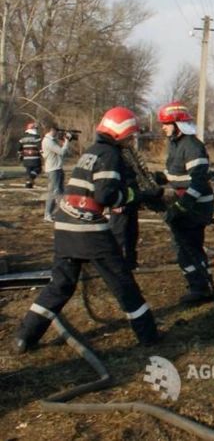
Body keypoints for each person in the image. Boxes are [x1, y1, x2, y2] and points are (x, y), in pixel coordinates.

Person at [14, 107, 160, 353]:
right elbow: (106, 194)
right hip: (89, 231)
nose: (130, 139)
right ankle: (149, 336)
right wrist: (137, 195)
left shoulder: (92, 152)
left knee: (60, 285)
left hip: (64, 226)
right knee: (122, 282)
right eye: (129, 134)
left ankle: (25, 336)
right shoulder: (110, 155)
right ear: (119, 133)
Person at [156, 101, 214, 305]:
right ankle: (200, 283)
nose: (163, 127)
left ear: (178, 124)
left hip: (196, 207)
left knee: (186, 248)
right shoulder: (176, 144)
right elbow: (177, 174)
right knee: (188, 246)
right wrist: (160, 178)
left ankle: (199, 287)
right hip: (187, 205)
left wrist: (182, 206)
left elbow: (198, 181)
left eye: (166, 123)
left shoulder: (192, 147)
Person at [41, 124, 72, 222]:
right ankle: (47, 214)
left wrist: (64, 142)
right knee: (53, 192)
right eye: (56, 130)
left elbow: (61, 153)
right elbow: (62, 152)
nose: (57, 132)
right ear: (52, 130)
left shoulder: (52, 140)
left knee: (60, 192)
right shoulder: (48, 141)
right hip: (53, 169)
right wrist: (67, 141)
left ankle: (60, 212)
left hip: (57, 168)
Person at [17, 122, 42, 189]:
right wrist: (42, 154)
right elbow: (40, 148)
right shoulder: (36, 137)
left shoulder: (22, 138)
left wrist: (20, 156)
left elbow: (19, 149)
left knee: (28, 171)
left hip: (26, 159)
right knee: (38, 169)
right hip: (35, 158)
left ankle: (29, 185)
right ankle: (30, 178)